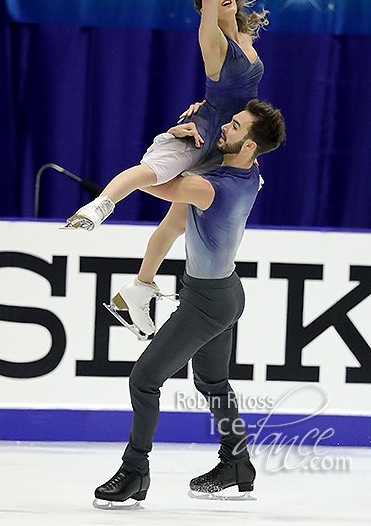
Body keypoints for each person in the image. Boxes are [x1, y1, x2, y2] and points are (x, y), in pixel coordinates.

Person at [65, 0, 268, 335]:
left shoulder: (244, 36)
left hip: (229, 137)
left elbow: (237, 96)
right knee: (155, 172)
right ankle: (100, 206)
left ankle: (138, 289)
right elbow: (209, 9)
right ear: (204, 6)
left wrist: (246, 143)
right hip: (208, 131)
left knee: (176, 223)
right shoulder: (212, 37)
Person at [92, 99, 286, 508]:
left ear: (249, 145)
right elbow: (186, 193)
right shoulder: (250, 174)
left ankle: (135, 471)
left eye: (234, 127)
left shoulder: (209, 187)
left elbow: (147, 181)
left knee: (144, 380)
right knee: (212, 383)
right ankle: (237, 462)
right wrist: (198, 122)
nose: (224, 129)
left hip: (206, 302)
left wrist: (168, 139)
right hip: (226, 293)